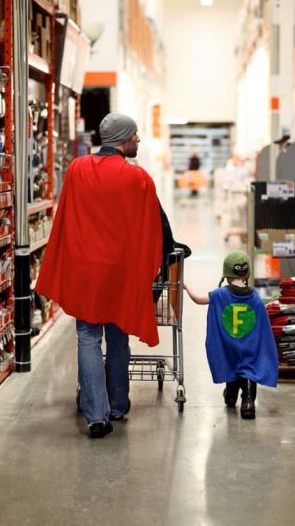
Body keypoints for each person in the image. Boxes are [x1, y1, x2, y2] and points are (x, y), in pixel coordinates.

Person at [36, 113, 175, 438]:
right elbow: (153, 230)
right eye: (135, 135)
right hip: (121, 273)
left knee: (87, 337)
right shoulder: (137, 178)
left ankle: (95, 415)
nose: (139, 140)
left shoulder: (76, 169)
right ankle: (116, 405)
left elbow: (66, 219)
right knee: (117, 337)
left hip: (86, 271)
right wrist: (154, 268)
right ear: (123, 139)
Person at [184, 251, 278, 419]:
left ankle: (230, 395)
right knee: (248, 368)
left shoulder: (219, 294)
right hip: (249, 345)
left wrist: (186, 287)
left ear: (226, 275)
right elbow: (262, 325)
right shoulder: (255, 297)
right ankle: (248, 402)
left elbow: (198, 299)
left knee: (231, 365)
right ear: (246, 274)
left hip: (228, 344)